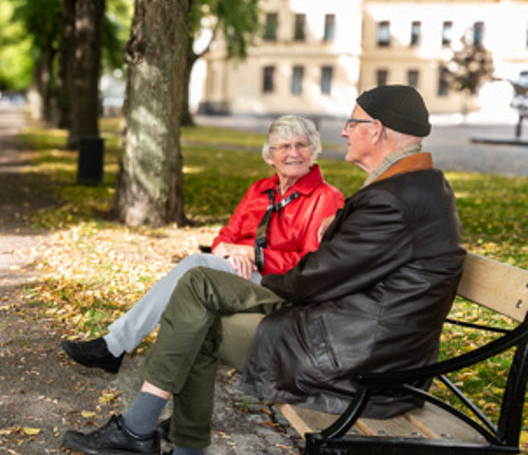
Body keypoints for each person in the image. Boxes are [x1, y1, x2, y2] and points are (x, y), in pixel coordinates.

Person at [62, 85, 465, 455]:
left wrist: (250, 278)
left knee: (199, 286)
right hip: (354, 338)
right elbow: (346, 269)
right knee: (198, 302)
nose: (345, 132)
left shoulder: (395, 198)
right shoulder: (414, 189)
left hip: (356, 361)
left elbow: (315, 279)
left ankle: (142, 434)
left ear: (377, 130)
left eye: (352, 122)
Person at [63, 115, 345, 374]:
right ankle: (134, 360)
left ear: (313, 150)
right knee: (194, 276)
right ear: (270, 156)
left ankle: (115, 348)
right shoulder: (260, 190)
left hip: (279, 284)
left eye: (301, 145)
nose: (293, 153)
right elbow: (225, 236)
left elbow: (313, 264)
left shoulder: (327, 198)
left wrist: (256, 255)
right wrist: (229, 251)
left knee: (195, 267)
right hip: (239, 272)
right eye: (284, 146)